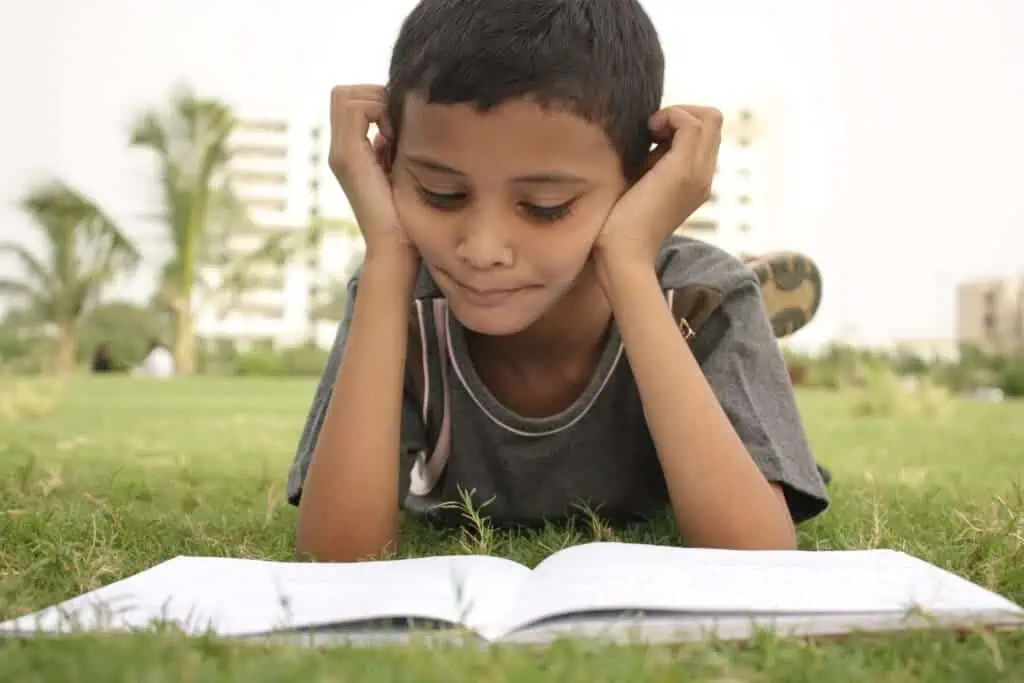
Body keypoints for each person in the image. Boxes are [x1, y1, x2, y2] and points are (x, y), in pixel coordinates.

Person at [288, 0, 831, 562]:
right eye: (440, 194)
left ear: (641, 182)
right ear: (388, 164)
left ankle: (735, 325)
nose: (482, 251)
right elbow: (336, 558)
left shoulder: (702, 297)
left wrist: (628, 262)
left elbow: (754, 556)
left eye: (545, 207)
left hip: (678, 303)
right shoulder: (398, 299)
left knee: (713, 299)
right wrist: (386, 256)